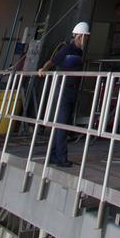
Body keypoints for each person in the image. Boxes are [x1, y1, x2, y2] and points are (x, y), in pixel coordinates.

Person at [38, 21, 89, 167]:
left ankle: (53, 155)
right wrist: (43, 69)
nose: (86, 40)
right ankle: (61, 157)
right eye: (85, 37)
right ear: (80, 36)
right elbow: (53, 61)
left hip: (73, 88)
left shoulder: (79, 52)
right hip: (65, 89)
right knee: (62, 124)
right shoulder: (68, 49)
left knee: (62, 123)